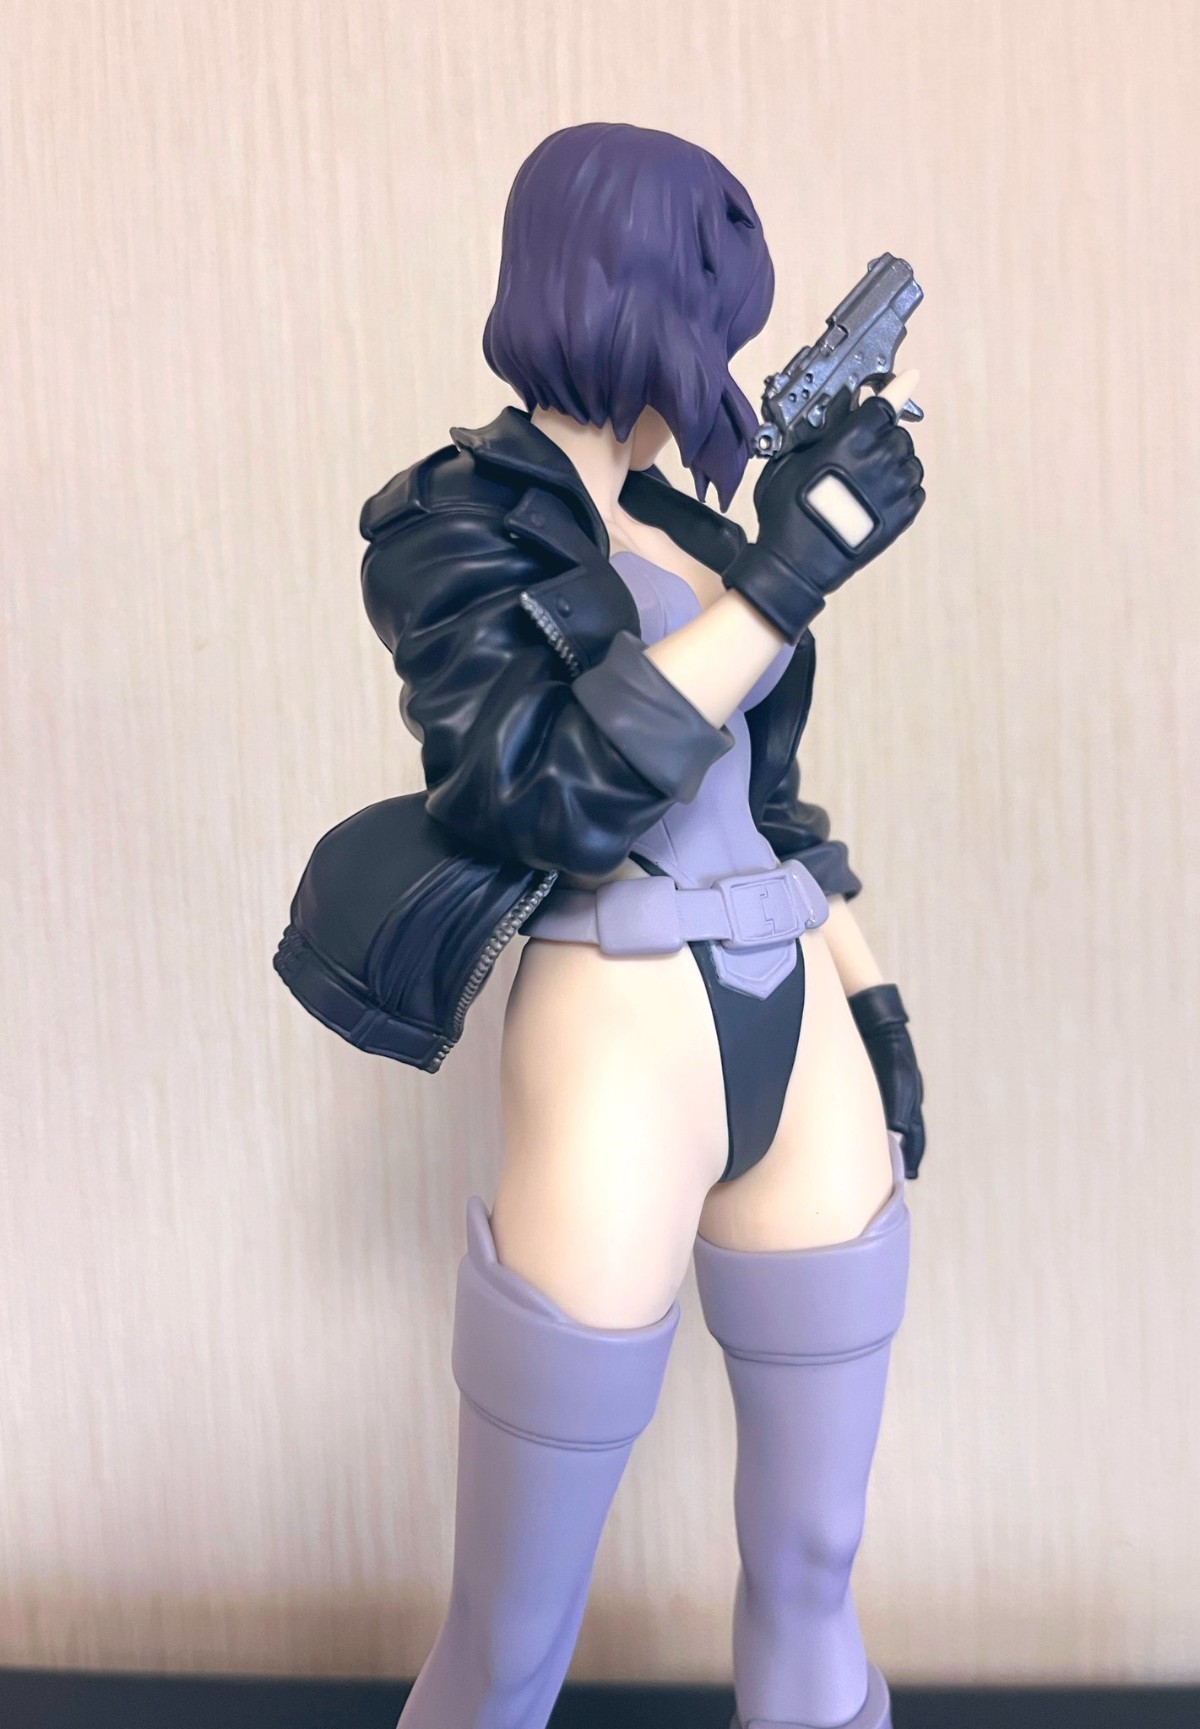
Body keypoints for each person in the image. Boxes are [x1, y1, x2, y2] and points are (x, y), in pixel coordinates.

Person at [301, 121, 928, 1729]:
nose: (727, 355)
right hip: (618, 1032)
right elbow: (540, 788)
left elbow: (773, 805)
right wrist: (793, 573)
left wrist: (874, 1001)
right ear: (640, 294)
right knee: (514, 1630)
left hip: (793, 1010)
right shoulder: (449, 522)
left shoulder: (700, 532)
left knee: (816, 1557)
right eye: (715, 310)